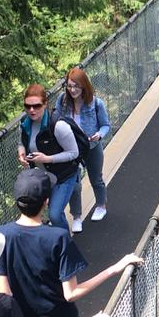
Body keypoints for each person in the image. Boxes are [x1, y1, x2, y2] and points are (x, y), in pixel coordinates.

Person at [0, 170, 142, 317]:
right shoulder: (57, 237)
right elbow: (70, 294)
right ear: (46, 202)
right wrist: (116, 268)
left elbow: (3, 293)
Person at [18, 84, 80, 232]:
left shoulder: (58, 125)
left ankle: (65, 244)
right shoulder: (24, 124)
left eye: (36, 106)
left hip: (64, 175)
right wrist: (21, 152)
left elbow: (73, 153)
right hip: (44, 177)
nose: (31, 110)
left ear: (45, 104)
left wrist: (47, 159)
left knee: (54, 215)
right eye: (28, 106)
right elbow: (21, 142)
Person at [55, 67, 111, 230]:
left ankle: (101, 206)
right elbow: (56, 118)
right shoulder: (62, 100)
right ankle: (77, 217)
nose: (72, 90)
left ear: (84, 86)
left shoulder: (96, 103)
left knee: (96, 179)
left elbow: (105, 125)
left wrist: (98, 135)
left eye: (76, 86)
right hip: (70, 149)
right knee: (74, 184)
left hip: (92, 147)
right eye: (70, 86)